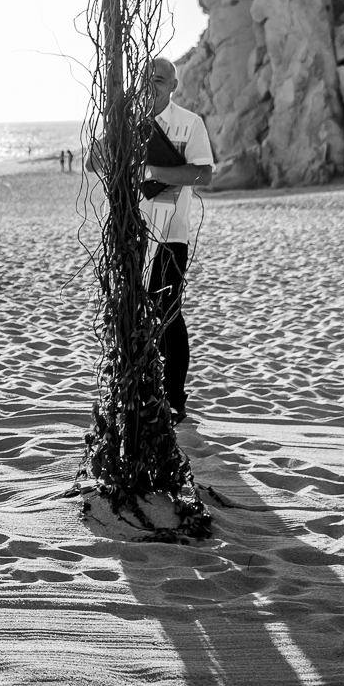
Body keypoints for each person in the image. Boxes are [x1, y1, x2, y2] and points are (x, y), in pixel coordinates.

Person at [91, 57, 214, 424]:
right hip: (131, 233)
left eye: (159, 80)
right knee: (129, 309)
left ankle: (174, 398)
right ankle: (138, 395)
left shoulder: (190, 123)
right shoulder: (128, 124)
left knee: (168, 314)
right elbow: (94, 164)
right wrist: (110, 142)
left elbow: (203, 174)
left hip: (171, 235)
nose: (151, 86)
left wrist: (153, 170)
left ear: (173, 85)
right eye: (146, 80)